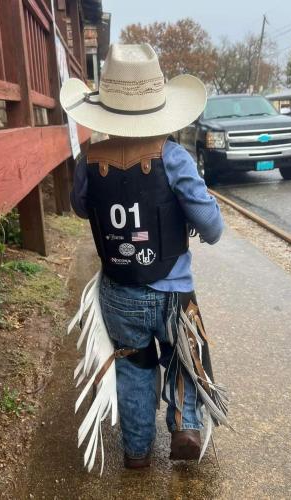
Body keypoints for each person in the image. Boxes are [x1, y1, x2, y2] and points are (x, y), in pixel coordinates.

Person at [61, 43, 226, 470]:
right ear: (159, 109)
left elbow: (81, 207)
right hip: (174, 291)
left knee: (133, 365)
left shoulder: (89, 159)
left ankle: (136, 450)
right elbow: (211, 225)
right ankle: (185, 426)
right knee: (184, 357)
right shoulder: (173, 157)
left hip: (119, 290)